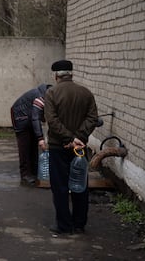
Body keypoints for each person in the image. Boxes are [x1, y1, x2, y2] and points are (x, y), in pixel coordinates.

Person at [44, 60, 98, 234]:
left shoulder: (51, 93)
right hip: (80, 148)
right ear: (71, 75)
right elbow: (93, 118)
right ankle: (79, 224)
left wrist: (69, 138)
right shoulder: (86, 93)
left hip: (58, 147)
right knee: (80, 184)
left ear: (56, 76)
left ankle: (64, 225)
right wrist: (79, 137)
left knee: (59, 187)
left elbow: (52, 121)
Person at [10, 84, 52, 185]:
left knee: (33, 145)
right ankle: (25, 175)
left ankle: (34, 172)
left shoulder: (47, 95)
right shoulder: (40, 98)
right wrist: (41, 138)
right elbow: (35, 117)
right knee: (24, 147)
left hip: (29, 117)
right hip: (20, 118)